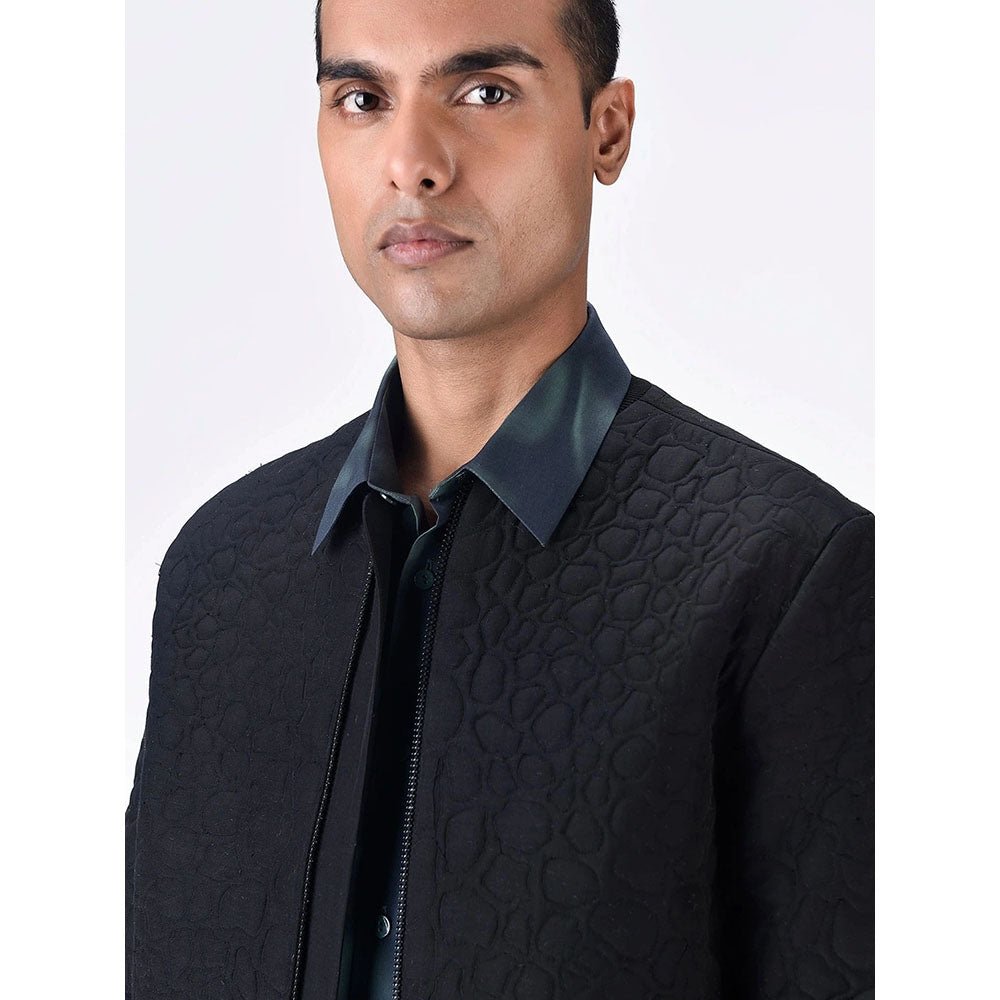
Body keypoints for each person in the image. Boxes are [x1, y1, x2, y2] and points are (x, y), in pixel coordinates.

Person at [125, 0, 874, 997]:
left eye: (484, 92)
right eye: (362, 99)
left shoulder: (784, 572)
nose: (413, 163)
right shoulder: (219, 572)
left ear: (606, 130)